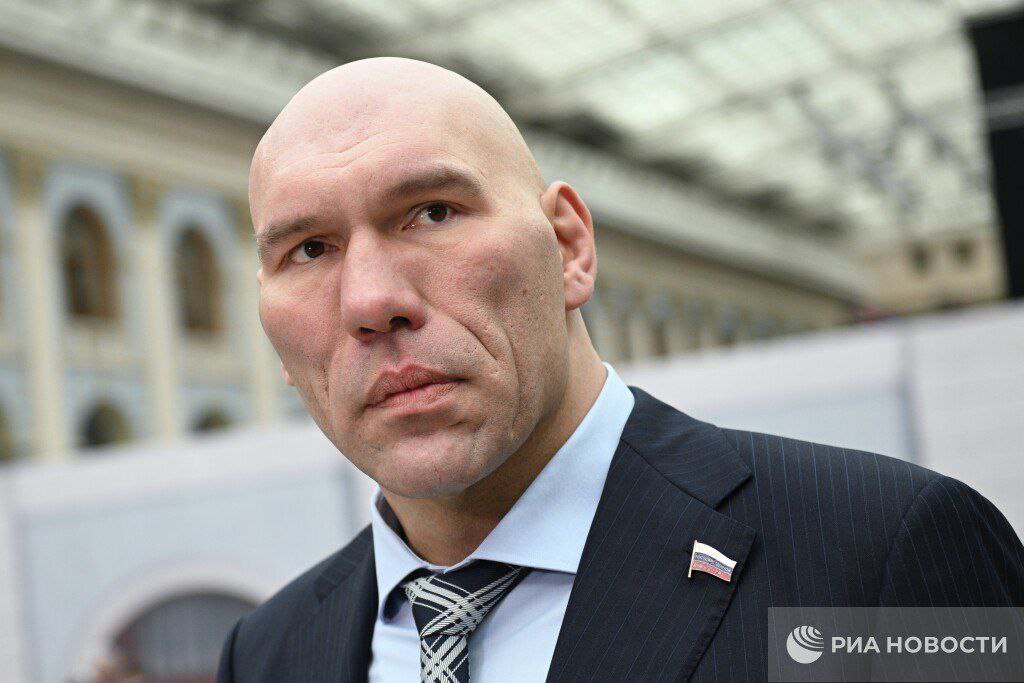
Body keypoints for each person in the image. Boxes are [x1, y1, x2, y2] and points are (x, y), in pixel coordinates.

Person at [217, 57, 1024, 682]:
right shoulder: (269, 652)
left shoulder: (881, 554)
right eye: (309, 250)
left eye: (432, 212)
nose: (371, 301)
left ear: (569, 246)